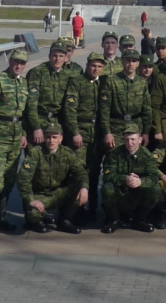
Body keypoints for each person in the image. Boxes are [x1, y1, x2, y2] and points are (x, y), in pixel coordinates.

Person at [0, 47, 29, 236]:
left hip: (16, 137)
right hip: (0, 136)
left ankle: (0, 218)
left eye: (22, 63)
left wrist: (24, 133)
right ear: (10, 62)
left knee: (9, 180)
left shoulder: (24, 83)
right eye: (16, 62)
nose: (18, 65)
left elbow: (23, 113)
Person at [17, 122, 88, 234]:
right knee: (34, 213)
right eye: (48, 137)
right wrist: (31, 200)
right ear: (44, 138)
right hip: (40, 195)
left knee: (79, 188)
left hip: (58, 193)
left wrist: (84, 188)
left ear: (61, 138)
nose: (51, 141)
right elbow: (23, 178)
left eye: (55, 137)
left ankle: (64, 221)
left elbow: (81, 173)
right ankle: (33, 222)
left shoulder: (67, 153)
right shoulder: (36, 153)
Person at [63, 51, 105, 223]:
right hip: (81, 130)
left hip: (97, 133)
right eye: (93, 65)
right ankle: (74, 211)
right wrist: (75, 132)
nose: (96, 69)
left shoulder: (103, 83)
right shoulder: (77, 82)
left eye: (99, 66)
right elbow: (70, 110)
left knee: (94, 172)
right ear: (87, 65)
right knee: (78, 171)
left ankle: (92, 208)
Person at [101, 123, 161, 233]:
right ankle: (114, 220)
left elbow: (154, 176)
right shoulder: (115, 153)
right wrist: (125, 179)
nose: (130, 143)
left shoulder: (146, 155)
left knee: (155, 189)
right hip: (120, 194)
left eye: (133, 139)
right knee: (107, 188)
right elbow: (107, 174)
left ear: (140, 139)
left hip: (138, 194)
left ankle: (139, 221)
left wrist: (140, 182)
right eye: (127, 139)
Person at [26, 40, 78, 144]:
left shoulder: (67, 75)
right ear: (49, 56)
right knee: (36, 155)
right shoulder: (38, 72)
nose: (57, 59)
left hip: (58, 123)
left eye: (61, 56)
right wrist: (36, 127)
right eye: (55, 55)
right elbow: (31, 103)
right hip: (40, 121)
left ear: (65, 57)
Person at [100, 48, 152, 148]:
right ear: (122, 61)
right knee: (115, 158)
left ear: (138, 63)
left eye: (134, 61)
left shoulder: (142, 83)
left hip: (136, 127)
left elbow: (147, 110)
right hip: (116, 129)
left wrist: (146, 132)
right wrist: (107, 132)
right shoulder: (111, 81)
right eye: (128, 60)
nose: (130, 63)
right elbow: (104, 110)